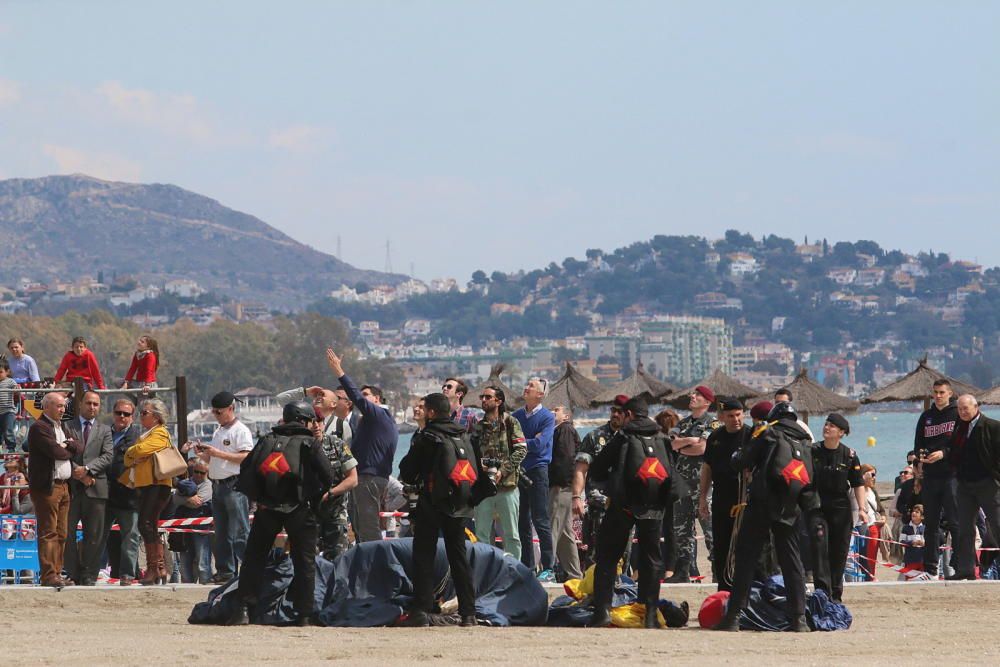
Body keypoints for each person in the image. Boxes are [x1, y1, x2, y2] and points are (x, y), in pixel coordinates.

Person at [227, 401, 340, 626]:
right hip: (300, 508)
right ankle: (304, 615)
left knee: (254, 558)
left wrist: (259, 499)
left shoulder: (267, 440)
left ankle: (243, 610)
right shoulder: (310, 443)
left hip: (267, 509)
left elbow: (246, 469)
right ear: (305, 420)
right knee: (304, 561)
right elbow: (328, 477)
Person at [713, 402, 816, 632]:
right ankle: (799, 619)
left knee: (746, 558)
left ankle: (734, 617)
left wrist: (739, 455)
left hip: (762, 503)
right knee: (792, 562)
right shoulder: (804, 441)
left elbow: (742, 461)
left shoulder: (767, 432)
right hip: (790, 507)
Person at [586, 397, 677, 629]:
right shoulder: (661, 438)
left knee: (607, 558)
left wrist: (611, 483)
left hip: (623, 506)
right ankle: (649, 614)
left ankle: (603, 612)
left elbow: (597, 467)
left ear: (628, 415)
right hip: (654, 507)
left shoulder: (623, 437)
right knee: (652, 560)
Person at [398, 392, 478, 627]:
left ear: (431, 412)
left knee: (424, 556)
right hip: (459, 504)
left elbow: (408, 470)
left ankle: (421, 611)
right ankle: (469, 613)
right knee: (459, 557)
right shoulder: (463, 434)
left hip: (431, 503)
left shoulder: (428, 437)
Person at [325, 348, 398, 543]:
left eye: (367, 395)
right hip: (365, 478)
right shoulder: (368, 422)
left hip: (370, 478)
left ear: (377, 399)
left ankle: (376, 567)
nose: (362, 398)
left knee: (367, 529)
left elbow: (355, 397)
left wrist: (339, 371)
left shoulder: (379, 415)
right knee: (359, 527)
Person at [183, 391, 254, 583]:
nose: (216, 415)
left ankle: (249, 569)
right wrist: (204, 453)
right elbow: (213, 458)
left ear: (231, 409)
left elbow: (246, 456)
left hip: (234, 484)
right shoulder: (219, 431)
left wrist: (218, 453)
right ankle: (225, 571)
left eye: (219, 412)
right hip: (217, 484)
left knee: (240, 531)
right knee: (221, 532)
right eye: (214, 412)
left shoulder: (241, 430)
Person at [27, 392, 83, 587]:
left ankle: (57, 572)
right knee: (48, 531)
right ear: (47, 407)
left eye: (63, 406)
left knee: (62, 532)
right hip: (47, 487)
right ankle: (49, 574)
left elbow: (80, 445)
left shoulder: (62, 426)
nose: (62, 410)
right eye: (59, 406)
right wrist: (69, 448)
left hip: (65, 486)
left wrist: (69, 446)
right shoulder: (39, 427)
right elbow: (56, 452)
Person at [809, 413, 866, 602]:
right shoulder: (813, 451)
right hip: (818, 506)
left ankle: (835, 594)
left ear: (841, 433)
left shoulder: (849, 455)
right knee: (819, 549)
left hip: (841, 508)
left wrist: (863, 509)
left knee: (839, 552)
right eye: (826, 424)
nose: (827, 428)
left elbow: (858, 484)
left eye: (832, 426)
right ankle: (822, 593)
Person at [666, 385, 718, 583]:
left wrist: (682, 445)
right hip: (682, 485)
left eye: (697, 395)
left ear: (707, 401)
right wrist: (688, 441)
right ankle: (683, 571)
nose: (692, 396)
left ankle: (717, 569)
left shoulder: (712, 423)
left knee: (710, 530)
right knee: (682, 530)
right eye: (693, 394)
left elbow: (702, 448)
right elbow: (671, 443)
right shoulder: (683, 423)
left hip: (703, 485)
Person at [120, 398, 175, 585]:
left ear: (156, 417)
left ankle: (155, 568)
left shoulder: (160, 433)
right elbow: (129, 459)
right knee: (148, 524)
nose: (141, 416)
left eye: (145, 413)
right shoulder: (148, 434)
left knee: (146, 523)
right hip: (145, 484)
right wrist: (133, 454)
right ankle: (158, 568)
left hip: (157, 484)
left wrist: (132, 452)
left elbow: (142, 450)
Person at [698, 398, 751, 591]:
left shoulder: (751, 435)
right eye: (730, 416)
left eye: (738, 415)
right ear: (722, 417)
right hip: (721, 498)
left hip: (745, 500)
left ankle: (746, 589)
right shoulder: (715, 437)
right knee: (721, 546)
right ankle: (723, 588)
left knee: (744, 547)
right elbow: (707, 468)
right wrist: (702, 498)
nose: (735, 419)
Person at [63, 390, 114, 585]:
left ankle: (90, 574)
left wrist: (88, 470)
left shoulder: (105, 430)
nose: (92, 407)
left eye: (96, 404)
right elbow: (63, 453)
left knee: (95, 535)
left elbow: (108, 456)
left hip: (96, 488)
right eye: (88, 403)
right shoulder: (68, 426)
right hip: (72, 489)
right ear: (81, 404)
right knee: (67, 532)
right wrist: (77, 471)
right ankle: (73, 572)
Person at [947, 394, 1000, 580]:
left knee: (997, 524)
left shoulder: (992, 426)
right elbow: (953, 451)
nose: (962, 412)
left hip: (987, 483)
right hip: (964, 484)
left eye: (965, 408)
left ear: (976, 407)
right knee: (964, 529)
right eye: (960, 409)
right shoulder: (957, 427)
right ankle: (966, 570)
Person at [572, 394, 628, 568]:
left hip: (625, 505)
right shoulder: (595, 436)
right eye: (613, 410)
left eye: (620, 412)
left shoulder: (632, 438)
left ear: (628, 414)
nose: (615, 415)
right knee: (595, 553)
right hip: (598, 505)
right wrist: (576, 497)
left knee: (624, 553)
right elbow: (581, 469)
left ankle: (623, 589)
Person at [471, 386, 526, 559]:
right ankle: (485, 570)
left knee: (511, 536)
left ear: (499, 401)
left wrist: (503, 470)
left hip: (507, 488)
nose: (484, 400)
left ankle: (514, 571)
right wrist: (480, 466)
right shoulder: (478, 427)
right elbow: (471, 452)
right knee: (481, 536)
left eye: (488, 397)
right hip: (484, 488)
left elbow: (521, 450)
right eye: (483, 397)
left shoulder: (510, 422)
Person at [913, 379, 959, 577]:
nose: (938, 396)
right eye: (935, 392)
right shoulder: (926, 417)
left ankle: (961, 566)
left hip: (951, 474)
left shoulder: (957, 414)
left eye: (942, 392)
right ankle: (930, 569)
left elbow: (962, 443)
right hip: (930, 476)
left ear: (950, 393)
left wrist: (944, 453)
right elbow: (917, 444)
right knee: (930, 524)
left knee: (955, 522)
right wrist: (919, 462)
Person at [512, 377, 557, 580]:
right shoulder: (516, 416)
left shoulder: (548, 417)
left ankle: (549, 567)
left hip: (538, 470)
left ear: (540, 394)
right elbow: (511, 441)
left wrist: (520, 442)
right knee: (522, 520)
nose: (526, 387)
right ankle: (527, 566)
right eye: (527, 383)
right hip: (519, 471)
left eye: (531, 386)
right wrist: (529, 441)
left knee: (540, 519)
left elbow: (540, 446)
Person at [99, 399, 142, 585]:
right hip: (103, 493)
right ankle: (91, 572)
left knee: (130, 537)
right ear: (113, 413)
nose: (122, 417)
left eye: (126, 414)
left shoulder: (138, 438)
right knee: (97, 535)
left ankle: (127, 574)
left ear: (133, 417)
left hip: (128, 496)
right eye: (118, 413)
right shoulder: (103, 434)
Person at [313, 412, 359, 562]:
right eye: (311, 421)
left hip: (335, 511)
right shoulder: (300, 445)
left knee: (338, 561)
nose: (316, 425)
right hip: (309, 512)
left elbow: (353, 479)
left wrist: (331, 493)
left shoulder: (337, 444)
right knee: (308, 562)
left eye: (319, 421)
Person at [549, 405, 582, 581]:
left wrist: (559, 483)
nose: (552, 411)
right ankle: (575, 575)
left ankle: (547, 570)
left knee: (552, 527)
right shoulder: (563, 430)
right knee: (565, 533)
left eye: (557, 410)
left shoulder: (565, 430)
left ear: (567, 415)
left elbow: (566, 458)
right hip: (564, 485)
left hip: (560, 486)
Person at [171, 459, 213, 583]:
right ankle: (187, 585)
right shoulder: (184, 483)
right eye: (196, 471)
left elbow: (198, 503)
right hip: (183, 527)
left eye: (202, 473)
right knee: (184, 561)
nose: (199, 475)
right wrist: (188, 499)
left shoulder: (208, 485)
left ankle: (205, 584)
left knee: (202, 561)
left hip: (201, 528)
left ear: (207, 473)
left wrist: (183, 499)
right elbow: (175, 500)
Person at [853, 464, 884, 581]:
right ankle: (865, 576)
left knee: (871, 556)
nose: (874, 477)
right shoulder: (857, 490)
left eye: (875, 475)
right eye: (872, 474)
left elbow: (880, 509)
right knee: (862, 554)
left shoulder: (872, 491)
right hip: (861, 526)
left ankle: (870, 576)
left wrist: (884, 518)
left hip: (874, 526)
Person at [899, 503, 926, 578]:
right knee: (909, 580)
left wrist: (924, 543)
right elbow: (901, 542)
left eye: (917, 512)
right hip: (910, 560)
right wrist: (912, 542)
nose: (913, 513)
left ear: (922, 517)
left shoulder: (925, 528)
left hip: (922, 560)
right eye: (913, 511)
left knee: (921, 580)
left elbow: (929, 543)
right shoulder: (906, 528)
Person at [0, 361, 18, 452]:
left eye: (0, 372)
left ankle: (11, 448)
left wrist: (17, 389)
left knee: (8, 431)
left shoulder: (10, 381)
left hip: (8, 411)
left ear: (7, 372)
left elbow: (16, 388)